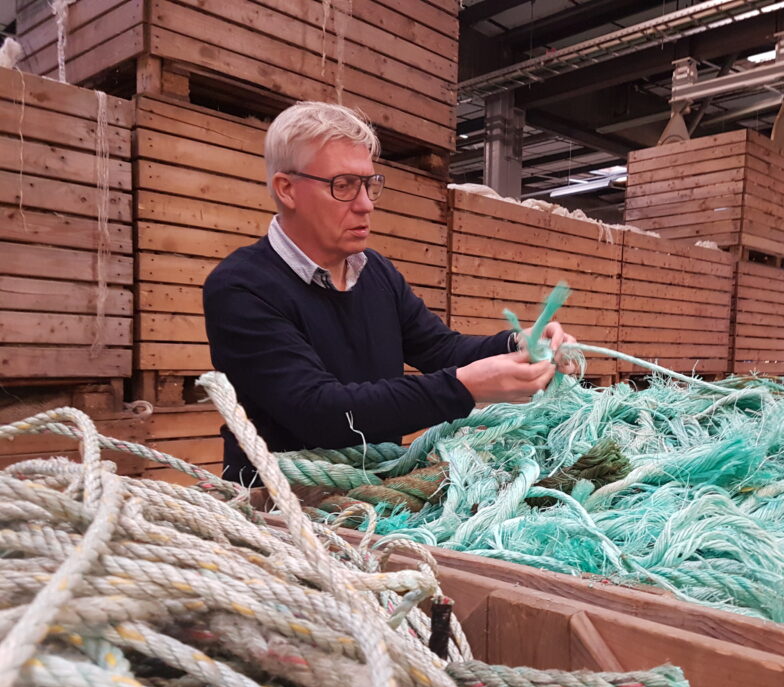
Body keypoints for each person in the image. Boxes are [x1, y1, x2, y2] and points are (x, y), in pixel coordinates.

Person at [203, 101, 575, 485]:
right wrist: (463, 386)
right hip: (275, 503)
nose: (365, 205)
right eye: (343, 185)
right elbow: (319, 411)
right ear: (287, 189)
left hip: (369, 494)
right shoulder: (241, 288)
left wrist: (517, 343)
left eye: (368, 184)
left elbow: (439, 348)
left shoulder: (375, 272)